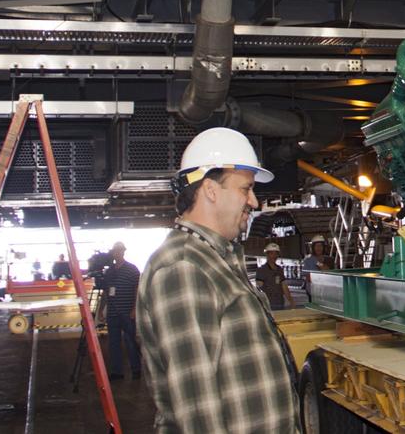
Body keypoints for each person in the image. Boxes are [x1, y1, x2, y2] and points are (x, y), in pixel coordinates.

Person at [136, 127, 298, 433]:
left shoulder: (215, 258)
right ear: (211, 190)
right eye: (245, 188)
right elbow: (198, 412)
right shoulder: (184, 267)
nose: (255, 202)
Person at [103, 242, 142, 380]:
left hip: (127, 313)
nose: (117, 253)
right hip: (113, 312)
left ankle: (136, 369)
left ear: (123, 252)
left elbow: (138, 291)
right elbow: (106, 292)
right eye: (115, 251)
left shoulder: (132, 270)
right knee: (114, 343)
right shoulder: (109, 272)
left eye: (119, 251)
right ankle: (116, 371)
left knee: (130, 341)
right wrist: (104, 309)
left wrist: (134, 309)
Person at [255, 243, 293, 310]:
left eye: (276, 253)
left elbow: (284, 286)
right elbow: (259, 289)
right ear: (267, 254)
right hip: (268, 304)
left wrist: (291, 300)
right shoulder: (261, 270)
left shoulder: (279, 269)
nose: (274, 256)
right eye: (271, 253)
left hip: (280, 302)